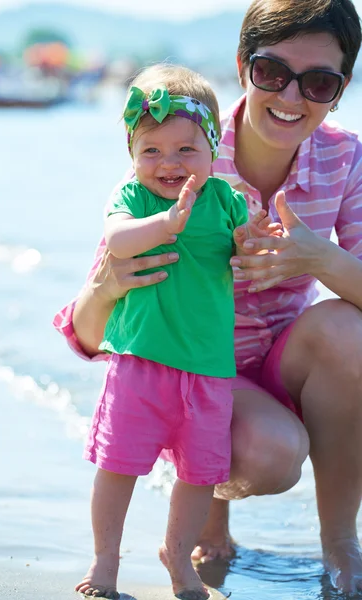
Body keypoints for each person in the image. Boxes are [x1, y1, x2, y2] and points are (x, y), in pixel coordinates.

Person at [54, 0, 362, 595]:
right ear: (244, 65)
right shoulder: (180, 151)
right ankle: (205, 519)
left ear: (340, 89)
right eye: (274, 72)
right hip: (188, 367)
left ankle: (341, 547)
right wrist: (110, 282)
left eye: (319, 82)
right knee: (273, 456)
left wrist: (319, 258)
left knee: (348, 333)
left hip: (278, 363)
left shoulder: (345, 158)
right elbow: (90, 334)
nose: (292, 98)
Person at [61, 65, 281, 600]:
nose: (169, 163)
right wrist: (165, 225)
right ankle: (106, 561)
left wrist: (254, 240)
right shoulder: (134, 199)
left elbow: (242, 248)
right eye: (152, 151)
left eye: (186, 150)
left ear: (213, 151)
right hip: (140, 363)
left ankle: (179, 558)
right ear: (133, 156)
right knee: (119, 467)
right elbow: (116, 239)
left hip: (207, 370)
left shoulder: (226, 200)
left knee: (200, 473)